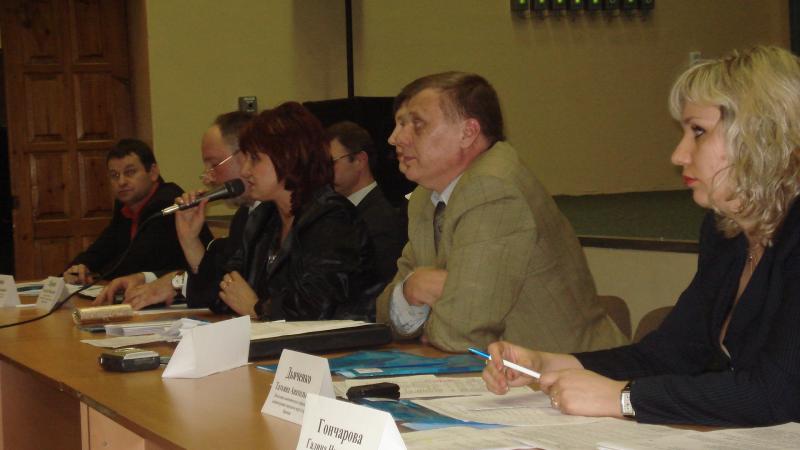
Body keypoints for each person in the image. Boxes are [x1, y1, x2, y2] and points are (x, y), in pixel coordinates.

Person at [482, 46, 800, 427]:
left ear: (763, 136)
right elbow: (667, 355)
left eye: (698, 132)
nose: (679, 155)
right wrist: (549, 363)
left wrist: (624, 398)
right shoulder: (727, 234)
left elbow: (775, 394)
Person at [376, 72, 627, 353]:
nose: (395, 138)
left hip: (571, 372)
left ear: (468, 132)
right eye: (399, 124)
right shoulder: (426, 197)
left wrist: (428, 322)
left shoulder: (492, 188)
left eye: (416, 124)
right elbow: (384, 317)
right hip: (501, 372)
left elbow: (460, 335)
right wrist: (411, 288)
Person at [187, 102, 381, 320]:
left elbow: (319, 305)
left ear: (288, 157)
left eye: (255, 159)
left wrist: (257, 307)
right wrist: (189, 238)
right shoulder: (263, 218)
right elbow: (223, 294)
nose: (245, 170)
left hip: (336, 341)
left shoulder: (332, 217)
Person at [94, 112, 255, 308]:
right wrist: (189, 240)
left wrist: (177, 283)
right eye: (114, 175)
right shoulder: (244, 216)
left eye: (214, 165)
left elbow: (229, 291)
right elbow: (217, 284)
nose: (207, 178)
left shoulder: (275, 216)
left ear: (247, 157)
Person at [63, 139, 211, 284]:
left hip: (192, 291)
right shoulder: (125, 205)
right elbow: (103, 247)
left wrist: (94, 276)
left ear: (153, 172)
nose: (121, 182)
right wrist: (79, 267)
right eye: (114, 175)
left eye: (130, 172)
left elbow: (136, 263)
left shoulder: (168, 203)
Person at [326, 121, 407, 283]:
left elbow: (380, 286)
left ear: (359, 161)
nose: (324, 171)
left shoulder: (383, 219)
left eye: (330, 163)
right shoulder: (333, 211)